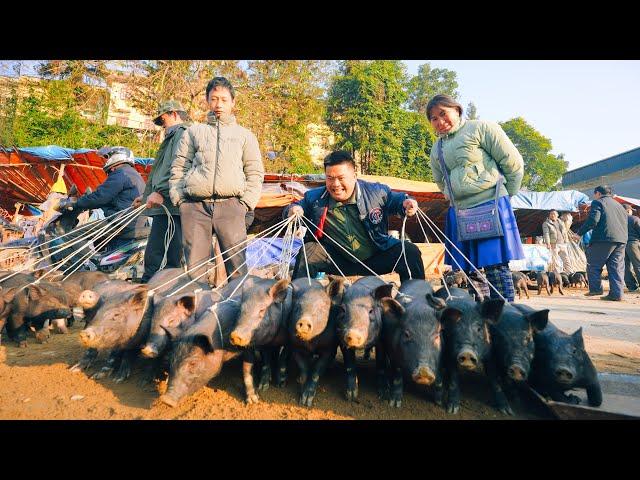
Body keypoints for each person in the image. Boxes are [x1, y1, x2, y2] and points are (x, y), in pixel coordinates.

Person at [427, 94, 525, 302]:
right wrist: (453, 197)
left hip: (490, 204)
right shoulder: (437, 148)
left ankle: (505, 315)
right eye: (434, 118)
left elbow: (513, 163)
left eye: (443, 113)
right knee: (470, 269)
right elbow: (440, 180)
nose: (440, 121)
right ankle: (482, 318)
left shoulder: (482, 128)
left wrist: (506, 196)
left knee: (495, 266)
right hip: (460, 211)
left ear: (457, 110)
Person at [169, 77, 264, 281]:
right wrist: (180, 200)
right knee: (195, 270)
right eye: (214, 99)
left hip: (231, 206)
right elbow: (179, 167)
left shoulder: (245, 136)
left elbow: (255, 172)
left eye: (223, 99)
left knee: (237, 267)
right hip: (195, 207)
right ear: (207, 100)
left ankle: (236, 307)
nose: (218, 105)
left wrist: (246, 203)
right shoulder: (194, 132)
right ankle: (196, 309)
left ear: (233, 102)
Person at [286, 150, 423, 282]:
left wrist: (407, 203)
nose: (335, 184)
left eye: (341, 178)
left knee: (409, 252)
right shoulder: (314, 198)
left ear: (354, 175)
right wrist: (293, 210)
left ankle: (416, 299)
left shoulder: (377, 192)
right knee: (309, 252)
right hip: (337, 260)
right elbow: (294, 207)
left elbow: (398, 200)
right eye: (330, 178)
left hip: (375, 256)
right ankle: (297, 298)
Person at [133, 100, 190, 282]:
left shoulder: (182, 134)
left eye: (163, 119)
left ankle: (154, 290)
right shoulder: (171, 136)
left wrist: (162, 192)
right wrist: (143, 198)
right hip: (163, 203)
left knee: (162, 254)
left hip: (171, 204)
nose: (162, 125)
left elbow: (176, 168)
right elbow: (159, 170)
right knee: (157, 252)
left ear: (174, 114)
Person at [57, 146, 146, 250]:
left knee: (73, 235)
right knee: (98, 239)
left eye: (108, 157)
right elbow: (111, 200)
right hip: (132, 222)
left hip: (121, 222)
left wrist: (75, 203)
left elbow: (100, 197)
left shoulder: (121, 173)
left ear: (117, 157)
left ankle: (88, 265)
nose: (107, 160)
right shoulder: (133, 174)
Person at [577, 185, 628, 301]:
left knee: (593, 265)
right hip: (621, 239)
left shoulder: (598, 202)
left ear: (598, 193)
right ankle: (617, 294)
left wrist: (579, 233)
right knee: (616, 267)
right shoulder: (619, 205)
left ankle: (595, 289)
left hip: (603, 239)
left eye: (594, 194)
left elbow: (593, 220)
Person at [543, 209, 572, 274]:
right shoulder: (546, 223)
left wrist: (566, 241)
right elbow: (546, 233)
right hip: (554, 244)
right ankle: (557, 274)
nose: (553, 215)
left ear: (557, 215)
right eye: (551, 214)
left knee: (566, 259)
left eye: (554, 214)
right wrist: (548, 243)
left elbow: (564, 232)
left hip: (562, 244)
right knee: (555, 260)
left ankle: (570, 273)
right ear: (549, 215)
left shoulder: (561, 222)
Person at [623, 204, 640, 293]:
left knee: (626, 266)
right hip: (633, 243)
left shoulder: (618, 220)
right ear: (628, 211)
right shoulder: (634, 219)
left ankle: (631, 286)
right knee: (638, 265)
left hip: (621, 245)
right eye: (631, 210)